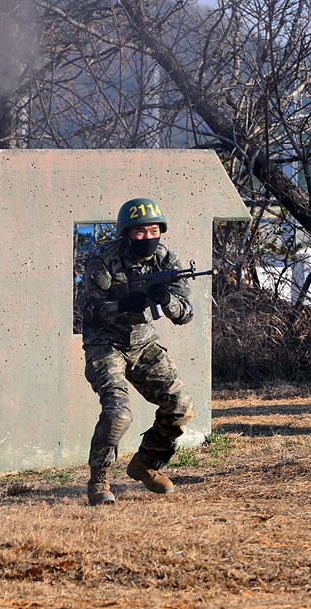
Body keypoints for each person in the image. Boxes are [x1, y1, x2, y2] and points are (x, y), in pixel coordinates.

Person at [81, 197, 195, 506]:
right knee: (118, 413)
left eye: (154, 231)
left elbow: (185, 313)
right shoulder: (102, 258)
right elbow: (87, 312)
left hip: (143, 343)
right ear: (127, 234)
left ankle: (146, 464)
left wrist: (165, 300)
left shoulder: (167, 261)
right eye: (140, 232)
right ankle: (99, 479)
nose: (147, 238)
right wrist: (121, 305)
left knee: (179, 407)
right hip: (105, 343)